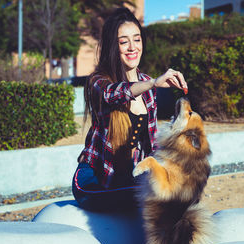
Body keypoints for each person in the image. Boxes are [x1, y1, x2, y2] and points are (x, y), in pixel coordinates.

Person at [72, 7, 188, 211]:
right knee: (136, 200)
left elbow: (152, 145)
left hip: (128, 178)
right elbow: (114, 93)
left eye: (137, 39)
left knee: (178, 196)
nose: (132, 47)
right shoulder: (98, 82)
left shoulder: (146, 85)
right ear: (112, 46)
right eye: (123, 41)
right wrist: (153, 83)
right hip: (95, 180)